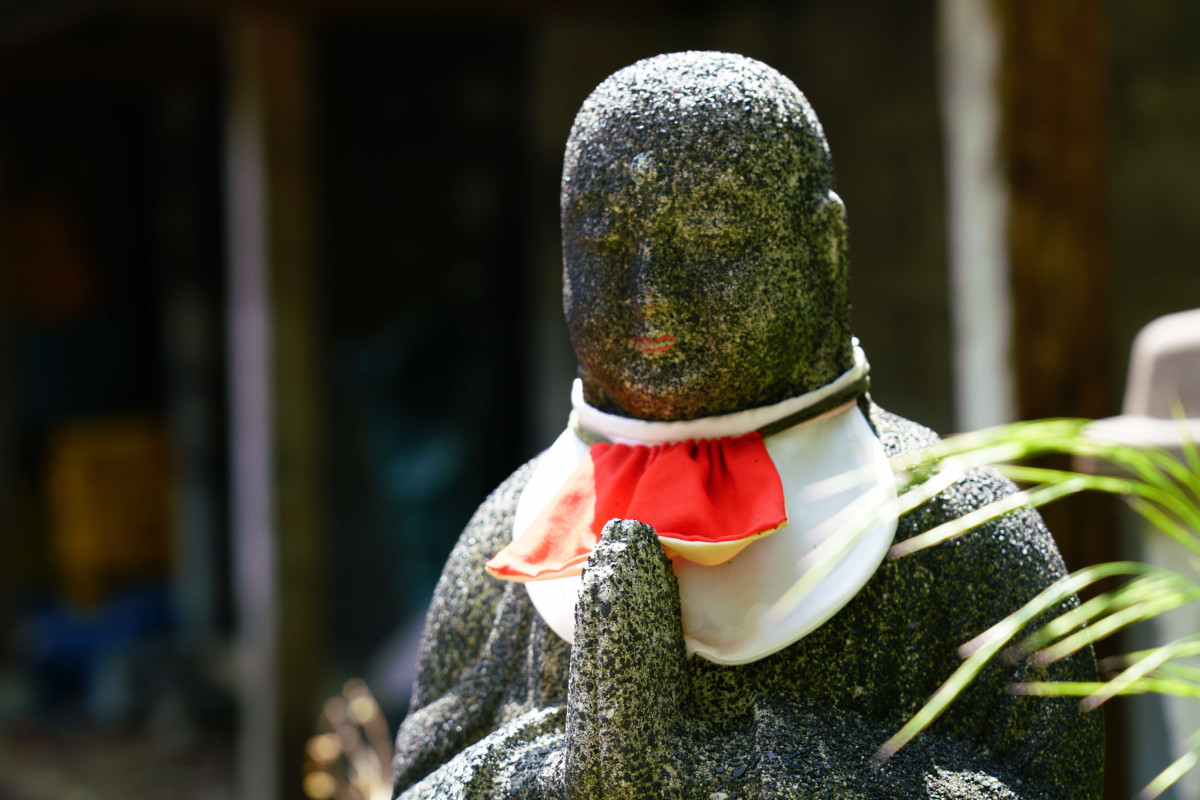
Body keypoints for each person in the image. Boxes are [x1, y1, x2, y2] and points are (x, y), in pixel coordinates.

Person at [392, 52, 1102, 799]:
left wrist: (744, 770)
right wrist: (556, 777)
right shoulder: (506, 537)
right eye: (603, 243)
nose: (650, 292)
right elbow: (418, 781)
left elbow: (1053, 784)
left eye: (712, 235)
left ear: (825, 248)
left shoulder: (955, 528)